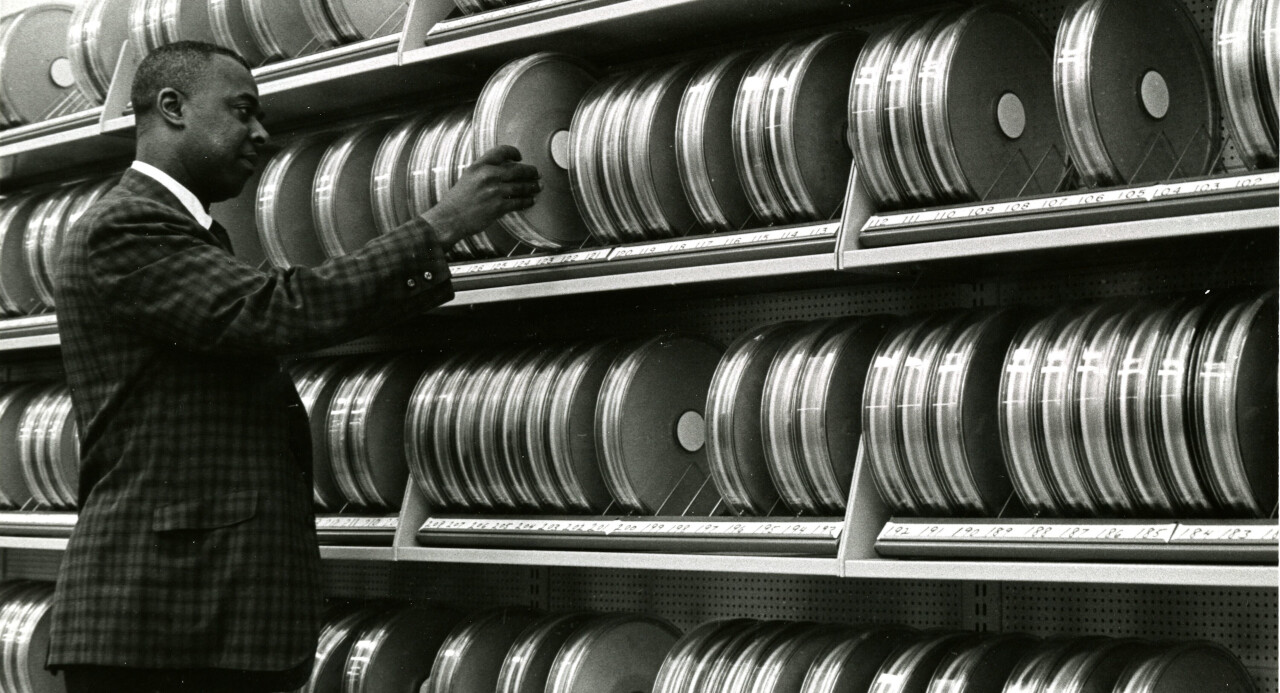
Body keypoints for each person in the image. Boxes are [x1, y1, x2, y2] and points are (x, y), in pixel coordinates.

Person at [47, 40, 540, 693]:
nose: (262, 133)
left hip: (197, 617)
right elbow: (275, 311)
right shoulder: (127, 224)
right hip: (169, 619)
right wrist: (440, 224)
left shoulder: (181, 231)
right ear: (172, 108)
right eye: (242, 110)